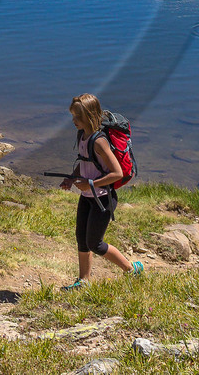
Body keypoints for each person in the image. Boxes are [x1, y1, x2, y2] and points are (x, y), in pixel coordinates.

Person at [60, 94, 142, 289]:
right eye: (72, 116)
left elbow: (117, 173)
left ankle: (131, 268)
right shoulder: (82, 135)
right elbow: (85, 162)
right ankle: (84, 280)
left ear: (89, 116)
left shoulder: (99, 142)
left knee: (95, 243)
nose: (74, 121)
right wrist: (72, 178)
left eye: (77, 117)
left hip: (103, 199)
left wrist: (91, 184)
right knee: (81, 239)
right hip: (87, 197)